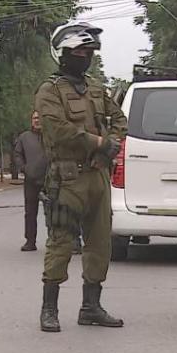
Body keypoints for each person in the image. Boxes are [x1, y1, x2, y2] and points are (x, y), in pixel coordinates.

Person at [35, 21, 128, 333]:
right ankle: (49, 309)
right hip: (66, 178)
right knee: (61, 243)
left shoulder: (97, 88)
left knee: (100, 243)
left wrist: (109, 147)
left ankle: (91, 307)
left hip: (98, 176)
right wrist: (99, 142)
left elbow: (119, 119)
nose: (85, 56)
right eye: (79, 51)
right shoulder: (49, 91)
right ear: (62, 54)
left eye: (89, 52)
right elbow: (58, 130)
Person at [14, 110, 49, 252]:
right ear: (31, 120)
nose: (37, 120)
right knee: (30, 212)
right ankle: (30, 241)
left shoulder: (51, 137)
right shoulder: (24, 137)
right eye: (34, 118)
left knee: (53, 211)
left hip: (49, 180)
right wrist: (24, 168)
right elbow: (17, 155)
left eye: (40, 118)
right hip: (31, 180)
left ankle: (55, 241)